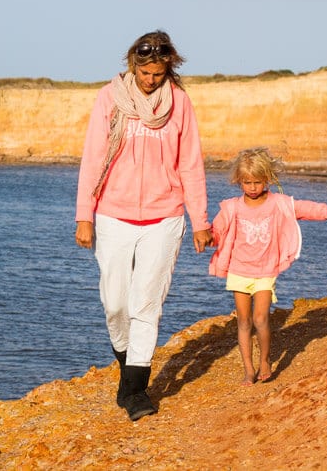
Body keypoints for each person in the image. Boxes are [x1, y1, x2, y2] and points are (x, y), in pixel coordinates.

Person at [75, 30, 212, 421]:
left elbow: (191, 164)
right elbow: (92, 158)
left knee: (146, 305)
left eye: (158, 73)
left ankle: (136, 390)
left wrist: (199, 220)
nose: (151, 80)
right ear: (133, 65)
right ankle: (126, 369)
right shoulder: (110, 99)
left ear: (169, 68)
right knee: (115, 303)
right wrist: (84, 215)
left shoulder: (180, 103)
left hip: (164, 217)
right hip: (113, 214)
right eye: (146, 72)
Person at [209, 147, 327, 385]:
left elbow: (305, 208)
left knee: (261, 319)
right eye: (247, 182)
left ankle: (265, 359)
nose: (252, 187)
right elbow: (217, 230)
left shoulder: (279, 204)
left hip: (264, 271)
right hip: (239, 270)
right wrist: (207, 237)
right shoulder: (232, 207)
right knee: (243, 321)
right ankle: (248, 369)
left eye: (257, 182)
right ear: (239, 181)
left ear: (268, 180)